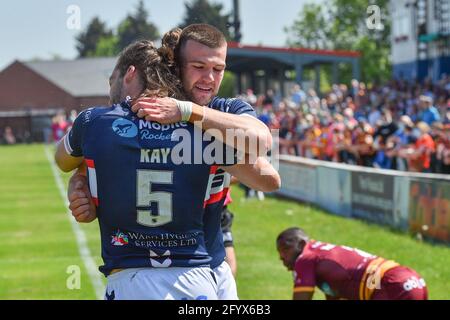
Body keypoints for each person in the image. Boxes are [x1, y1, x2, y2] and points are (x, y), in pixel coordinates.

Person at [63, 26, 280, 299]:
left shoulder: (222, 111)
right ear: (177, 65)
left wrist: (190, 116)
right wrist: (80, 183)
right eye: (199, 66)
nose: (210, 78)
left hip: (208, 266)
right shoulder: (143, 118)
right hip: (174, 268)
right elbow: (86, 160)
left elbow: (269, 172)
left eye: (218, 69)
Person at [276, 227, 428, 300]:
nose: (281, 257)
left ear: (302, 244)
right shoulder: (320, 255)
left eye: (284, 250)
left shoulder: (305, 258)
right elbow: (334, 292)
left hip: (391, 286)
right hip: (411, 280)